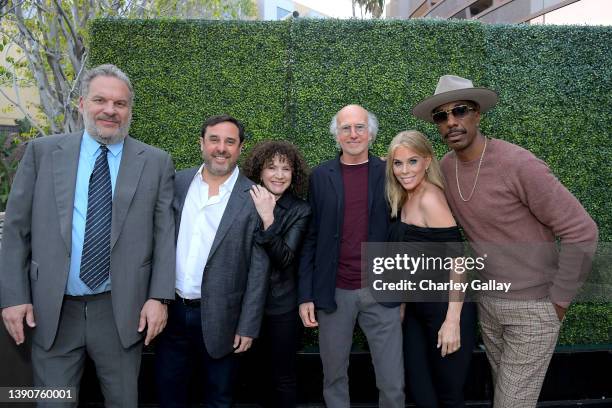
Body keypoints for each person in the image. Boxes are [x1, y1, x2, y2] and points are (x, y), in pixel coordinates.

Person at [412, 75, 599, 407]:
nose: (451, 121)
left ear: (478, 114)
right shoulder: (445, 167)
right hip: (488, 306)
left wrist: (558, 303)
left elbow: (582, 230)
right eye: (442, 116)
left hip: (534, 308)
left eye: (460, 110)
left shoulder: (519, 164)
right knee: (505, 396)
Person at [0, 64, 175, 406]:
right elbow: (17, 229)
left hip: (121, 312)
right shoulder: (43, 153)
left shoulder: (155, 162)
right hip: (51, 311)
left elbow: (164, 234)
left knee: (123, 401)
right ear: (82, 104)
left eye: (120, 103)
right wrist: (13, 296)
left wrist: (160, 298)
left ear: (129, 111)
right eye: (100, 100)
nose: (110, 110)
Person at [155, 114, 269, 408]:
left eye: (230, 142)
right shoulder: (177, 183)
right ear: (201, 144)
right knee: (169, 395)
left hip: (224, 318)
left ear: (240, 147)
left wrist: (248, 325)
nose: (221, 148)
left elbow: (259, 271)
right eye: (214, 140)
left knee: (219, 398)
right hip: (172, 313)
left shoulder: (255, 197)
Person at [298, 104, 405, 408]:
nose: (353, 134)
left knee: (392, 382)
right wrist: (306, 295)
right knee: (333, 378)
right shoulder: (320, 176)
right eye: (346, 128)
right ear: (337, 135)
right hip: (334, 292)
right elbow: (311, 237)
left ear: (371, 133)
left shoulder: (390, 173)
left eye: (359, 127)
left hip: (381, 292)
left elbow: (402, 235)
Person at [385, 130, 477, 407]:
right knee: (421, 392)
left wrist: (452, 321)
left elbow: (458, 261)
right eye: (397, 163)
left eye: (412, 161)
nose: (404, 170)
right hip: (415, 308)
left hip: (444, 308)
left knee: (448, 394)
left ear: (427, 161)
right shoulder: (402, 196)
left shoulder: (430, 199)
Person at [241, 140, 311, 408]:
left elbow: (285, 259)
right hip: (246, 306)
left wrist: (268, 218)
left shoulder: (301, 210)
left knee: (283, 377)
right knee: (252, 376)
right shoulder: (243, 201)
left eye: (286, 168)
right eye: (272, 167)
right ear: (260, 171)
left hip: (281, 307)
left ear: (294, 174)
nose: (279, 174)